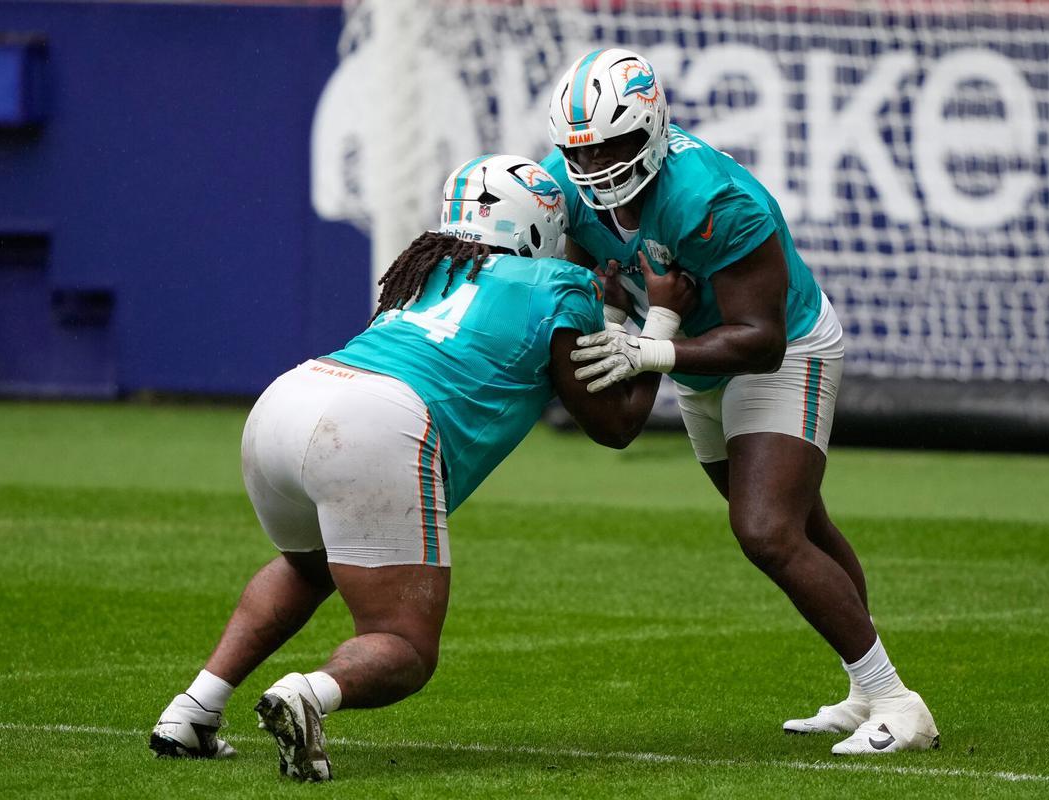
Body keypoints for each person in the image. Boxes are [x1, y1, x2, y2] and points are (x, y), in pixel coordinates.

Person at [148, 154, 685, 781]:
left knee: (309, 563)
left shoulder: (427, 270)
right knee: (403, 644)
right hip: (377, 424)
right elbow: (613, 422)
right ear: (538, 226)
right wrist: (660, 317)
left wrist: (610, 319)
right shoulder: (557, 285)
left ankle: (193, 709)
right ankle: (308, 695)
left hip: (290, 399)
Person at [543, 48, 939, 756]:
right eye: (585, 149)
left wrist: (650, 347)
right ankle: (863, 692)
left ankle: (896, 702)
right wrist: (613, 320)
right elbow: (580, 269)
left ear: (654, 127)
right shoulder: (560, 186)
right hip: (693, 363)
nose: (600, 163)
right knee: (801, 526)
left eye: (615, 143)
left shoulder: (717, 199)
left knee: (764, 529)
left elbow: (762, 341)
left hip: (785, 351)